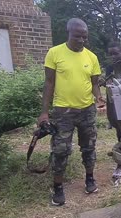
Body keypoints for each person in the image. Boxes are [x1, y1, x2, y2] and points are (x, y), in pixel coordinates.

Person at [37, 18, 105, 206]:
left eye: (84, 36)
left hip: (87, 111)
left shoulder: (92, 57)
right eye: (77, 36)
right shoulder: (54, 53)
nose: (81, 40)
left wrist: (99, 98)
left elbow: (94, 84)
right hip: (63, 112)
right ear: (68, 32)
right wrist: (44, 112)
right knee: (60, 150)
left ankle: (90, 179)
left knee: (89, 147)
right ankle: (58, 187)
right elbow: (49, 83)